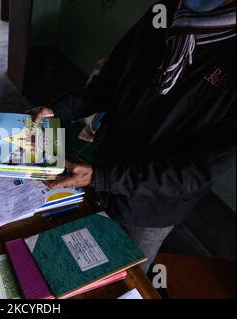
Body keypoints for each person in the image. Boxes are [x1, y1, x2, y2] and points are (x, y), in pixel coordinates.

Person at [31, 0, 236, 273]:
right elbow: (107, 84)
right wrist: (57, 110)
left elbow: (194, 172)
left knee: (121, 277)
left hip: (149, 206)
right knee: (71, 262)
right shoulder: (163, 13)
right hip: (100, 169)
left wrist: (102, 176)